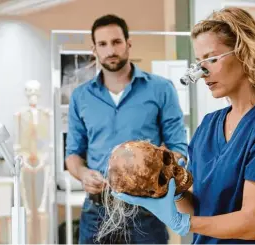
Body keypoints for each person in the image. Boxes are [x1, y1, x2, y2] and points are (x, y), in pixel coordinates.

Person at [113, 7, 255, 244]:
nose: (202, 72)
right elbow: (197, 210)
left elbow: (251, 224)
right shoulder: (209, 126)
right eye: (198, 62)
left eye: (211, 59)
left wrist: (183, 223)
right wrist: (165, 186)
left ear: (245, 53)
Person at [65, 14, 188, 244]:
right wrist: (83, 175)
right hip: (97, 210)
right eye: (102, 44)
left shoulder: (161, 89)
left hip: (147, 210)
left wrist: (155, 165)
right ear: (94, 49)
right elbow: (73, 154)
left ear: (128, 44)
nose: (110, 50)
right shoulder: (81, 97)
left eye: (116, 42)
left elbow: (179, 148)